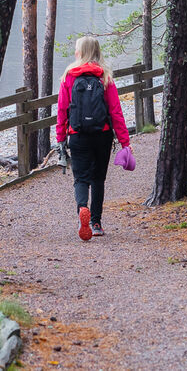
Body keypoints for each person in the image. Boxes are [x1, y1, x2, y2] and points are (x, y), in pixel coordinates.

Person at [55, 36, 131, 241]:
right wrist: (125, 142)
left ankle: (82, 209)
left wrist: (60, 137)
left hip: (77, 134)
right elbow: (116, 111)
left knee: (81, 178)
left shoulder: (68, 76)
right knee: (98, 179)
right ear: (97, 51)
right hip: (102, 134)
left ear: (80, 51)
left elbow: (62, 110)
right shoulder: (104, 76)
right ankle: (96, 223)